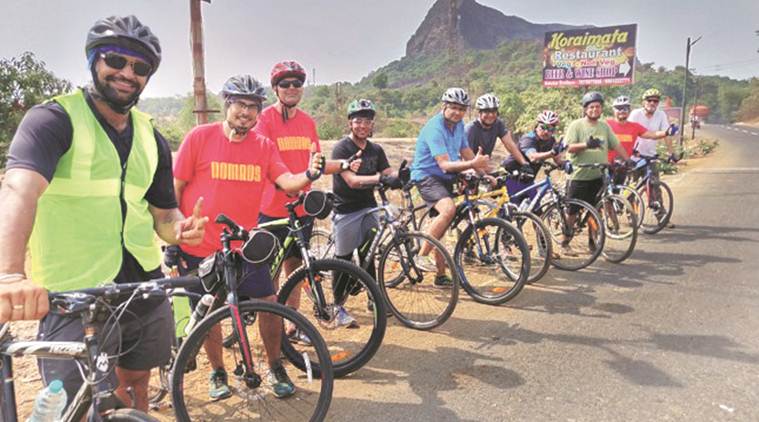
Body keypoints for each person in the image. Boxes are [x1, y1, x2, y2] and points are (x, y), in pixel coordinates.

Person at [0, 15, 208, 412]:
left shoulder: (152, 136)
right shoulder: (53, 120)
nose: (128, 73)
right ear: (94, 61)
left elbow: (164, 215)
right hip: (74, 295)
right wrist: (10, 273)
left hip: (142, 289)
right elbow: (18, 189)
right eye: (116, 60)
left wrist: (180, 229)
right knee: (77, 407)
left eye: (140, 67)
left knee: (136, 388)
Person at [165, 74, 329, 399]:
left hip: (242, 245)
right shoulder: (199, 137)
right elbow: (175, 191)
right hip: (199, 245)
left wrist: (310, 173)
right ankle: (218, 373)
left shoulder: (264, 146)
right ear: (227, 104)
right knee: (210, 312)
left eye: (253, 107)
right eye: (240, 104)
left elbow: (286, 180)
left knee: (268, 305)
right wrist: (172, 240)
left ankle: (276, 366)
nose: (246, 112)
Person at [254, 60, 355, 342]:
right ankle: (271, 331)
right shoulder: (264, 120)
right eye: (285, 84)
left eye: (297, 83)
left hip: (301, 208)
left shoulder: (308, 122)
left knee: (296, 268)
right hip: (270, 208)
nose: (291, 88)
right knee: (269, 276)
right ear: (275, 88)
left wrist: (345, 165)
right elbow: (262, 160)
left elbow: (316, 164)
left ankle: (292, 325)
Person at [330, 99, 405, 315]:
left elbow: (388, 172)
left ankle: (374, 299)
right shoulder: (342, 148)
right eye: (358, 121)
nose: (363, 126)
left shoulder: (376, 149)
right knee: (343, 259)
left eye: (367, 121)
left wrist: (400, 176)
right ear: (350, 123)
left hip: (369, 208)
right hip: (346, 209)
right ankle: (337, 306)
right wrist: (379, 178)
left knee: (369, 254)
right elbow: (352, 181)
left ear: (372, 125)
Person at [410, 87, 489, 286]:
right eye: (453, 108)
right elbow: (444, 164)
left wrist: (484, 174)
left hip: (447, 176)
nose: (457, 112)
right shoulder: (434, 128)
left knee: (443, 223)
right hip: (427, 176)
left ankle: (440, 275)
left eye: (462, 109)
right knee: (448, 210)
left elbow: (465, 151)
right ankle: (421, 256)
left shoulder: (459, 125)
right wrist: (472, 165)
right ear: (444, 106)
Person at [563, 91, 631, 256]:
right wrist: (586, 145)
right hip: (579, 175)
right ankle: (566, 240)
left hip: (598, 175)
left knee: (596, 210)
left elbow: (616, 145)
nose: (595, 109)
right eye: (591, 107)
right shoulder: (576, 125)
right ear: (585, 109)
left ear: (601, 109)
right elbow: (569, 147)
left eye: (598, 107)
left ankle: (593, 241)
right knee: (572, 211)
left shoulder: (604, 126)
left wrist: (628, 160)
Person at [628, 88, 679, 228]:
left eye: (655, 101)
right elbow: (630, 131)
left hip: (650, 156)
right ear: (643, 102)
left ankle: (661, 217)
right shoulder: (635, 114)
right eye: (649, 100)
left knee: (655, 186)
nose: (652, 103)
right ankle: (631, 214)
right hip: (634, 156)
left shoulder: (661, 115)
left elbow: (666, 134)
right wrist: (629, 151)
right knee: (633, 187)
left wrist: (671, 153)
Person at [607, 95, 678, 185]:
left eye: (625, 108)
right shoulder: (607, 125)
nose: (622, 111)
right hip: (608, 166)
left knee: (620, 194)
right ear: (613, 110)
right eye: (619, 108)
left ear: (629, 110)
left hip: (624, 166)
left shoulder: (635, 126)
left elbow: (652, 134)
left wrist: (666, 132)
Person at [501, 110, 567, 204]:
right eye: (543, 127)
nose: (546, 132)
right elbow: (533, 157)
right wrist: (551, 153)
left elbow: (557, 160)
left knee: (536, 212)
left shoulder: (551, 140)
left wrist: (566, 163)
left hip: (528, 180)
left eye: (550, 130)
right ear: (537, 127)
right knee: (510, 213)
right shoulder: (528, 138)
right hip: (512, 178)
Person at [465, 93, 532, 175]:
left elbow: (510, 144)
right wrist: (484, 174)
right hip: (468, 167)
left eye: (494, 111)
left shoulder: (498, 124)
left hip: (483, 166)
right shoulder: (470, 129)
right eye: (487, 111)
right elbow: (467, 157)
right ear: (479, 112)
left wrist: (524, 163)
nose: (491, 115)